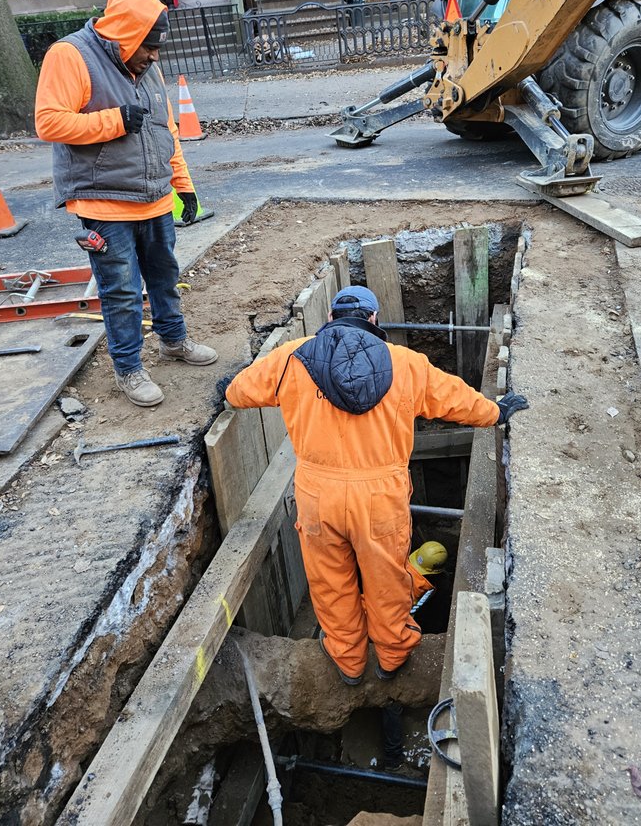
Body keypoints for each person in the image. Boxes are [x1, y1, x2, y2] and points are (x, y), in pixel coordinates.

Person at [225, 285, 528, 685]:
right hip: (380, 497)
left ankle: (348, 659)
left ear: (330, 318)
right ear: (373, 319)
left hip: (318, 495)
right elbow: (456, 399)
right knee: (387, 579)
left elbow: (239, 392)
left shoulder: (291, 357)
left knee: (330, 581)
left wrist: (226, 388)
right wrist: (495, 412)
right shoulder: (406, 363)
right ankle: (392, 653)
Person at [35, 0, 217, 408]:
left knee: (165, 276)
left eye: (157, 47)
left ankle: (172, 340)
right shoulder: (71, 55)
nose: (154, 56)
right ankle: (129, 367)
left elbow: (166, 131)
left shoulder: (147, 69)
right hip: (104, 202)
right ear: (124, 36)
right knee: (121, 290)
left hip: (154, 197)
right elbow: (49, 122)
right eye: (148, 46)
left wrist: (183, 186)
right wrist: (114, 120)